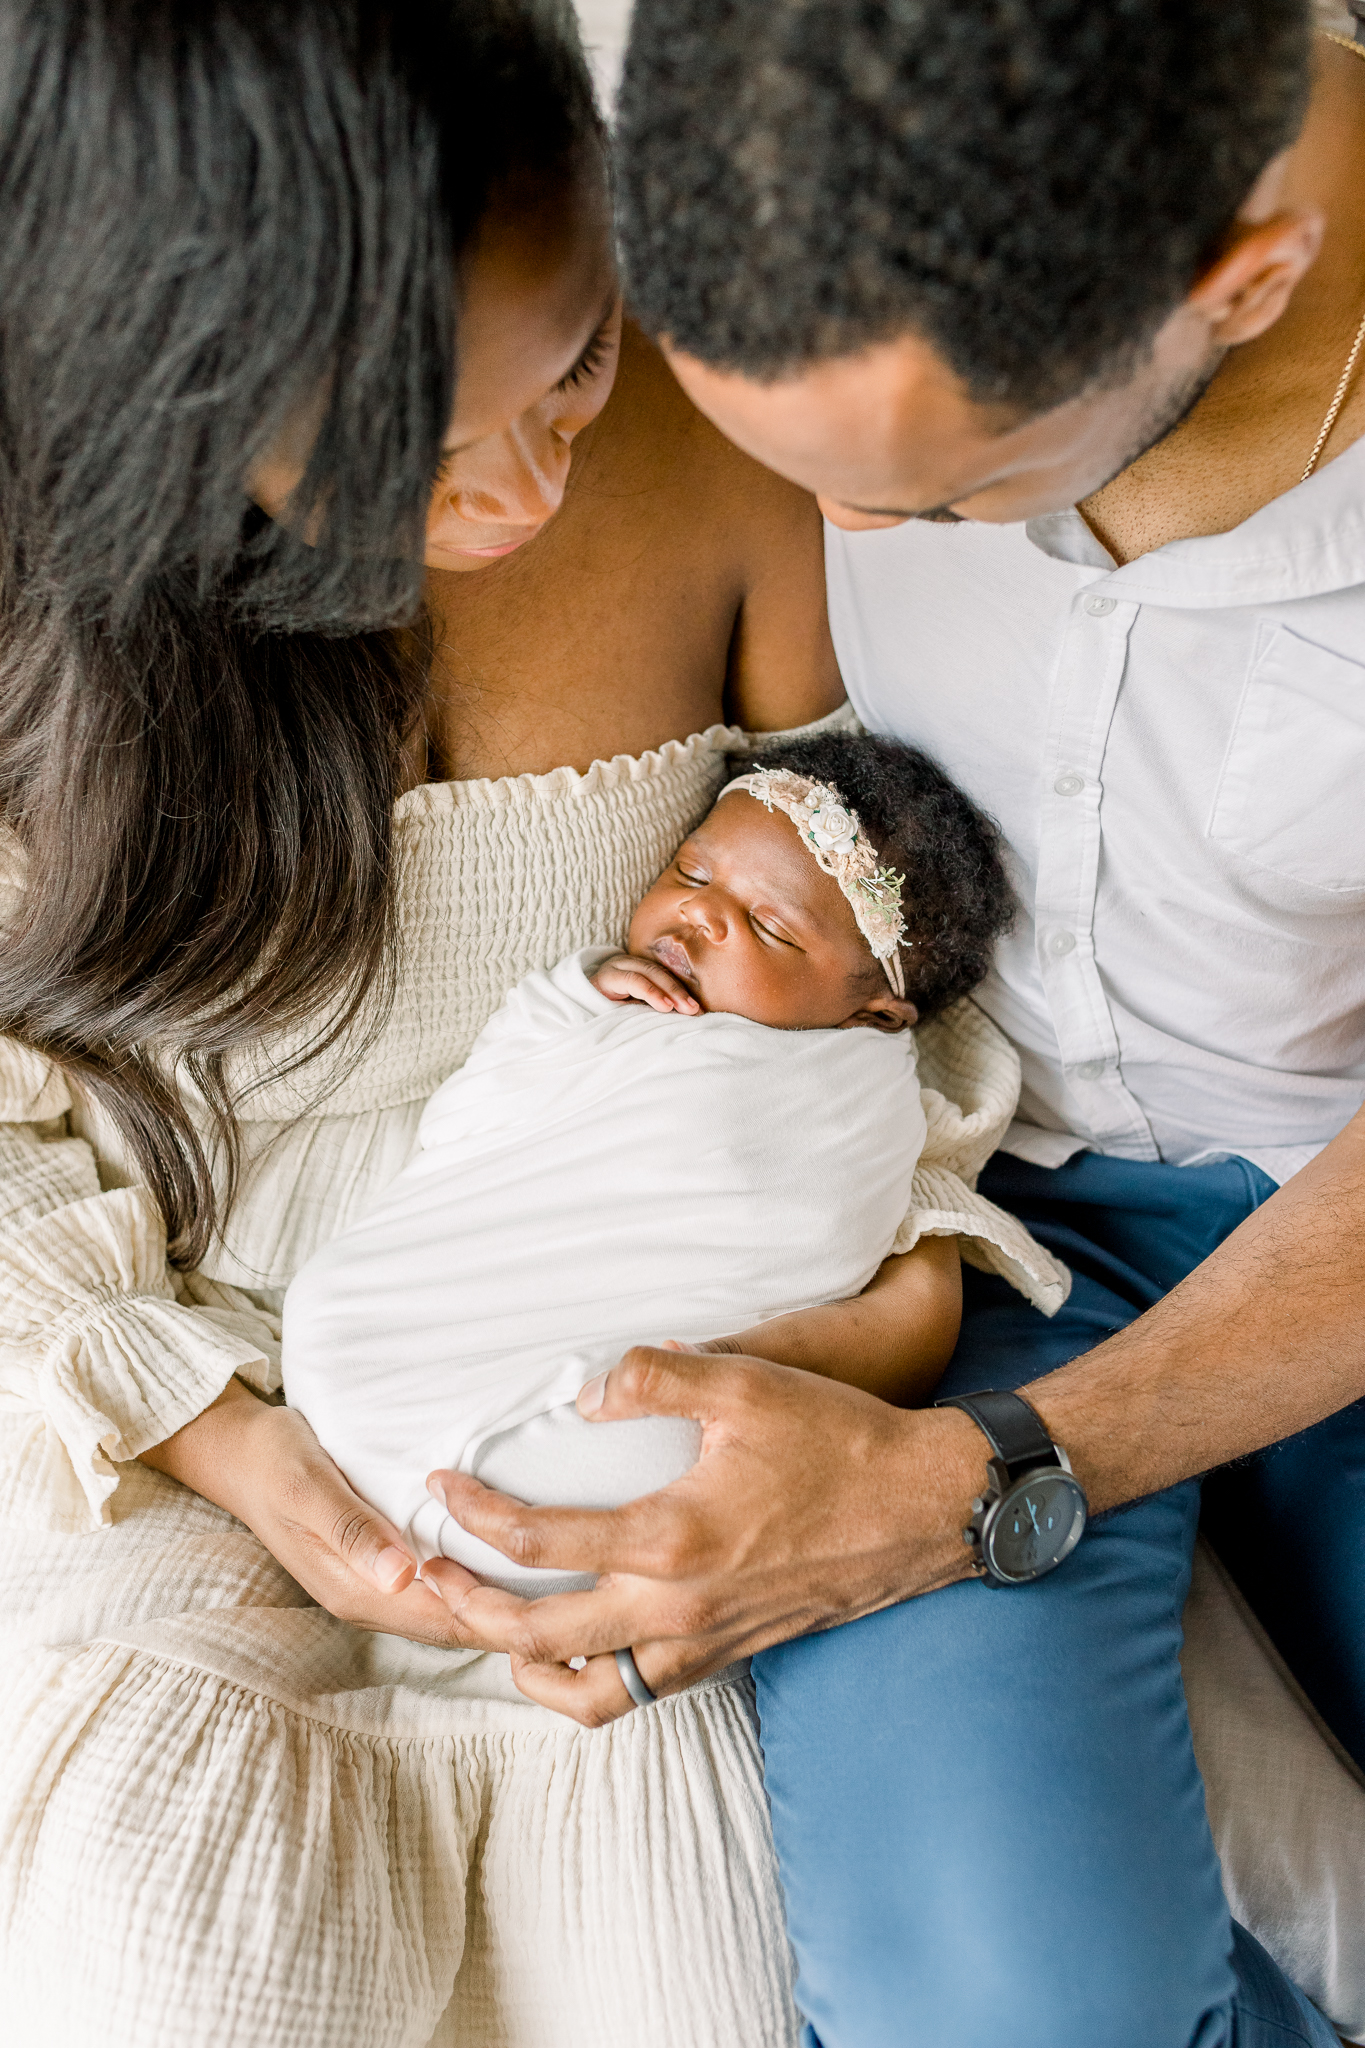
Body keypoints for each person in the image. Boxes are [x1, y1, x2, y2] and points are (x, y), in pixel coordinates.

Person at [0, 4, 1028, 2040]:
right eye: (400, 464)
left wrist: (842, 1345)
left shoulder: (736, 428)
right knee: (182, 1968)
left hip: (633, 1378)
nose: (535, 486)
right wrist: (245, 1446)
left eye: (570, 369)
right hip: (172, 1402)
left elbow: (885, 973)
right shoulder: (51, 596)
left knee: (691, 1975)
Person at [418, 5, 1365, 2046]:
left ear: (1246, 279)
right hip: (945, 1206)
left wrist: (978, 1476)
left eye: (938, 503)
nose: (867, 535)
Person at [281, 734, 1038, 1592]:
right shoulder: (614, 1004)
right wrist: (575, 995)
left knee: (656, 1440)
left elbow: (816, 1240)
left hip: (562, 1420)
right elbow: (468, 1126)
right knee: (325, 1303)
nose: (702, 916)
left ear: (873, 1014)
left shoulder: (857, 1095)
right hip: (400, 1327)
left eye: (768, 927)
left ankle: (482, 1529)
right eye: (691, 874)